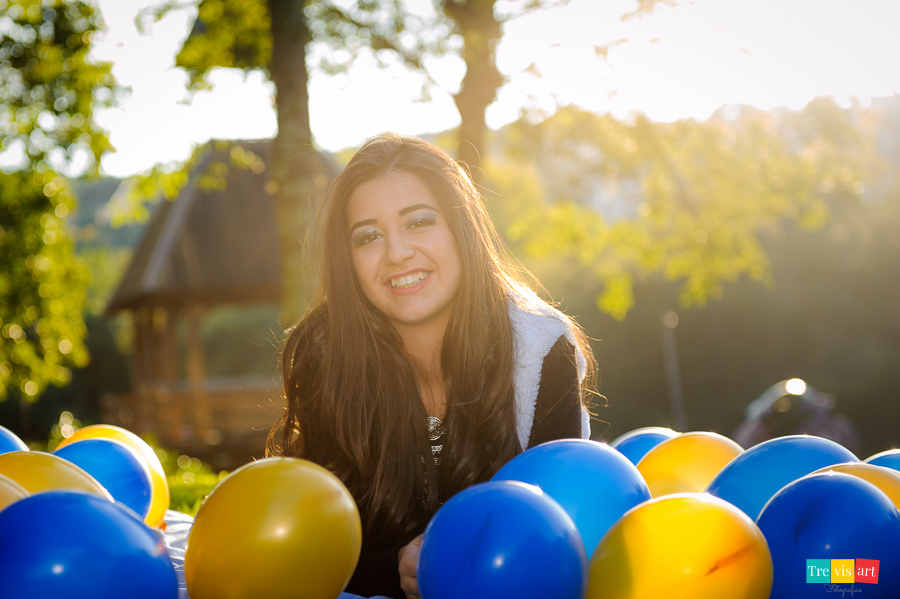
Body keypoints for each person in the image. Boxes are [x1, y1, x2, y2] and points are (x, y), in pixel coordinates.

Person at [266, 134, 597, 599]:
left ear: (460, 227)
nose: (397, 252)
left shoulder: (542, 347)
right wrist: (394, 569)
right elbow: (312, 542)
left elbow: (563, 532)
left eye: (418, 222)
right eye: (369, 236)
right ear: (349, 260)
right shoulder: (325, 355)